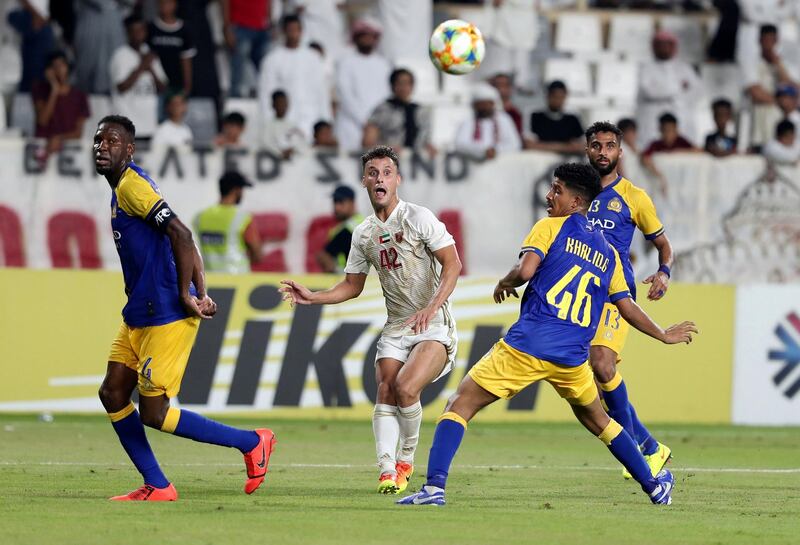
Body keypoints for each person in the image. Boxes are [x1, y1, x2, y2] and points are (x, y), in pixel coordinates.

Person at [397, 162, 696, 507]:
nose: (549, 195)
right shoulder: (610, 254)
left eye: (557, 189)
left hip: (528, 344)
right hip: (571, 358)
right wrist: (662, 334)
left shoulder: (551, 227)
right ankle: (655, 487)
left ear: (575, 201)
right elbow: (626, 306)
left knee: (459, 405)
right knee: (600, 420)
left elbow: (525, 270)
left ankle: (434, 488)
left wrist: (505, 282)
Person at [93, 115, 275, 501]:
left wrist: (186, 295)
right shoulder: (124, 188)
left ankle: (251, 442)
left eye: (111, 141)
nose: (102, 147)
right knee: (112, 392)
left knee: (154, 413)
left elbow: (182, 233)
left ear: (129, 149)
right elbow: (182, 238)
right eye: (98, 141)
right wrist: (200, 288)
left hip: (165, 312)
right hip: (139, 311)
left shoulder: (132, 187)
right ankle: (157, 485)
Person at [280, 145, 461, 494]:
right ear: (364, 180)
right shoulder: (363, 234)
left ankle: (406, 458)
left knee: (407, 387)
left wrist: (432, 305)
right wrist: (313, 297)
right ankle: (386, 469)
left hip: (433, 322)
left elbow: (453, 264)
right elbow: (351, 285)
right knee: (386, 388)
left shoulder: (418, 217)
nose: (380, 178)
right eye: (373, 172)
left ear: (398, 180)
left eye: (387, 172)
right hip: (396, 326)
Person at [584, 121, 677, 480]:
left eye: (610, 146)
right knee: (593, 384)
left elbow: (664, 245)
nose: (603, 152)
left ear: (620, 152)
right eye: (596, 145)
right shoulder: (576, 195)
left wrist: (664, 271)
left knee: (603, 364)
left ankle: (645, 450)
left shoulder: (634, 197)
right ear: (588, 150)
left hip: (614, 292)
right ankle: (651, 448)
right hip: (579, 295)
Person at [258, 14, 331, 142]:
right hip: (283, 123)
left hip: (311, 119)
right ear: (283, 31)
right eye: (290, 30)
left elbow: (322, 92)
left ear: (302, 31)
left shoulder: (313, 58)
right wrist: (270, 124)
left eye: (297, 30)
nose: (293, 34)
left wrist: (326, 119)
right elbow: (266, 94)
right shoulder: (272, 59)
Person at [636, 30, 702, 148]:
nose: (664, 48)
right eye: (660, 45)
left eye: (667, 44)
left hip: (680, 116)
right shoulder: (646, 68)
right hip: (653, 119)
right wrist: (678, 89)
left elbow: (695, 91)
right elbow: (650, 91)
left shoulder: (684, 68)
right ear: (654, 47)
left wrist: (665, 90)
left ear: (673, 47)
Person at [335, 18, 391, 151]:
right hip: (351, 125)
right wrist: (365, 121)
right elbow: (345, 95)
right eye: (363, 36)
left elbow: (387, 95)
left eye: (370, 36)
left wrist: (375, 123)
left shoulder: (383, 64)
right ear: (356, 38)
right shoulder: (345, 63)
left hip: (377, 127)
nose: (366, 40)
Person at [110, 15, 168, 141]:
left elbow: (163, 88)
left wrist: (151, 68)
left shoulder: (150, 54)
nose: (138, 34)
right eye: (134, 31)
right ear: (128, 33)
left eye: (141, 30)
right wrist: (142, 66)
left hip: (149, 125)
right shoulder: (120, 55)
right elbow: (122, 87)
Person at [194, 171, 262, 273]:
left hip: (209, 279)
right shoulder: (242, 218)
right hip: (237, 280)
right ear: (236, 190)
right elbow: (257, 255)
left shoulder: (200, 217)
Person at [32, 50, 90, 155]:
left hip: (69, 151)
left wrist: (59, 138)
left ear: (67, 68)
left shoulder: (80, 96)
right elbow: (42, 121)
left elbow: (78, 133)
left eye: (62, 65)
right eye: (54, 67)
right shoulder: (39, 90)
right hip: (42, 149)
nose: (59, 70)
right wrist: (54, 90)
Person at [363, 68, 433, 154]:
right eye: (400, 83)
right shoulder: (382, 110)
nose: (403, 87)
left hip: (415, 163)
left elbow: (425, 141)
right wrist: (387, 149)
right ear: (392, 85)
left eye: (407, 83)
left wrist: (430, 148)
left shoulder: (421, 111)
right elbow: (368, 142)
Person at [454, 83, 521, 160]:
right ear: (474, 106)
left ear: (493, 104)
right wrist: (483, 151)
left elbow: (515, 145)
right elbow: (460, 144)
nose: (484, 107)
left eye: (487, 104)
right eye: (480, 104)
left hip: (501, 165)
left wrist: (496, 151)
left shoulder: (504, 119)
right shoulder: (468, 121)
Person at [222, 0, 270, 98]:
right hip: (240, 25)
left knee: (265, 66)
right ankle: (235, 97)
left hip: (261, 26)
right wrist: (227, 27)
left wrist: (269, 19)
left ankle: (266, 95)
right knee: (239, 65)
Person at [149, 0, 195, 97]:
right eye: (162, 3)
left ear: (175, 4)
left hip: (177, 82)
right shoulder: (151, 27)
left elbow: (186, 59)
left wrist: (187, 86)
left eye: (168, 3)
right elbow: (148, 58)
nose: (165, 6)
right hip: (155, 83)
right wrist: (156, 80)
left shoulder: (184, 29)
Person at [641, 113, 697, 192]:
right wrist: (659, 175)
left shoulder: (681, 141)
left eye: (670, 130)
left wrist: (677, 152)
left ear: (676, 129)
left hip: (681, 185)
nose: (667, 134)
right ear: (660, 129)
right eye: (665, 130)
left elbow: (698, 151)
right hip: (662, 187)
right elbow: (644, 158)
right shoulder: (656, 144)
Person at [526, 80, 584, 154]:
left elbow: (581, 146)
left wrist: (544, 146)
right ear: (548, 96)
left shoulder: (572, 118)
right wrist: (565, 147)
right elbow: (530, 145)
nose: (558, 100)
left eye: (561, 97)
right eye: (555, 96)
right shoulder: (535, 116)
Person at [315, 185, 364, 273]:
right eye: (335, 202)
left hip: (350, 281)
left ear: (352, 203)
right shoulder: (364, 221)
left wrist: (336, 271)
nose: (337, 207)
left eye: (341, 202)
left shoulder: (348, 228)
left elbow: (324, 256)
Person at [261, 90, 308, 158]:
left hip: (294, 164)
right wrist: (280, 152)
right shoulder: (267, 126)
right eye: (279, 103)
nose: (282, 106)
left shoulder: (293, 125)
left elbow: (302, 144)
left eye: (284, 103)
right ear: (273, 105)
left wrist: (293, 150)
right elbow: (266, 144)